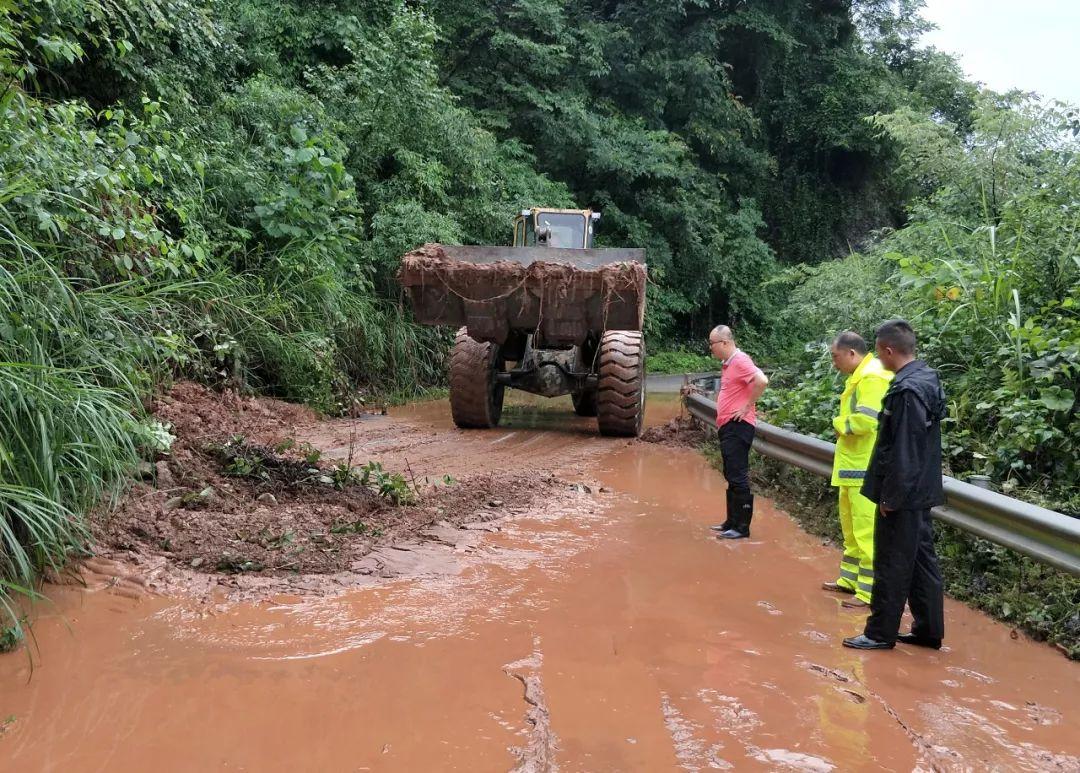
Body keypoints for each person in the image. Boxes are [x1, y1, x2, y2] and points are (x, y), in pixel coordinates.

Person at [843, 320, 947, 651]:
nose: (877, 357)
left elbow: (905, 448)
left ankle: (879, 633)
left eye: (878, 351)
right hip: (920, 492)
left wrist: (891, 496)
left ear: (888, 350)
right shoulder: (925, 378)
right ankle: (928, 630)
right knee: (920, 562)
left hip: (903, 495)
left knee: (891, 562)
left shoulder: (905, 391)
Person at [823, 331, 893, 610]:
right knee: (850, 529)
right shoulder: (859, 377)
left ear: (851, 353)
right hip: (851, 467)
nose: (834, 362)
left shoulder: (872, 377)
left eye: (835, 356)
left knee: (865, 531)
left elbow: (866, 422)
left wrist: (839, 424)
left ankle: (867, 592)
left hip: (864, 468)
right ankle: (849, 581)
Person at [706, 325, 768, 539]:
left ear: (724, 342)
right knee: (731, 474)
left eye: (712, 344)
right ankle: (731, 522)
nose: (711, 348)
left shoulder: (740, 360)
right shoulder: (730, 363)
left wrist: (746, 407)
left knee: (738, 475)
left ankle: (742, 528)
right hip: (729, 425)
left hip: (738, 425)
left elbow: (762, 380)